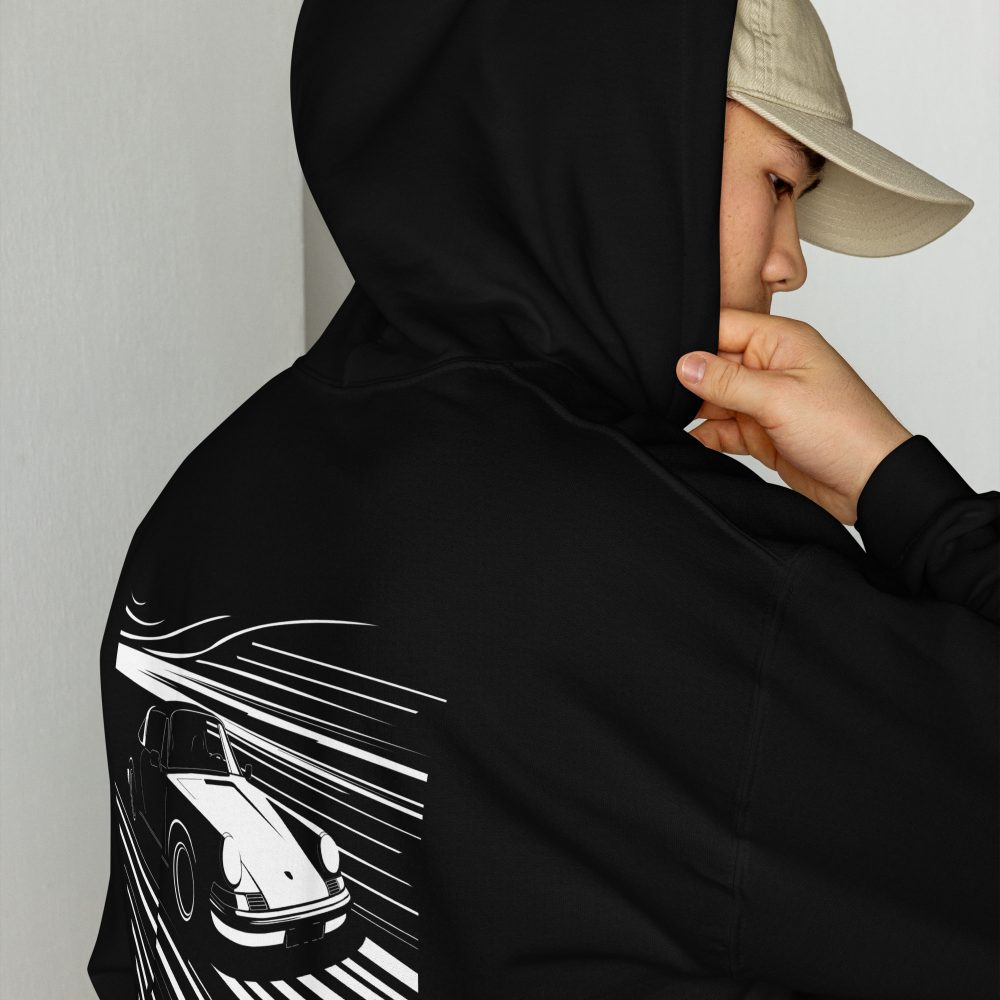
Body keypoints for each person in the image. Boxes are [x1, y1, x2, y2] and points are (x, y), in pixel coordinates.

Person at [87, 2, 998, 999]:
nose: (792, 261)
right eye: (779, 184)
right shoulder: (683, 586)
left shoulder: (196, 510)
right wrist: (902, 489)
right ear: (622, 141)